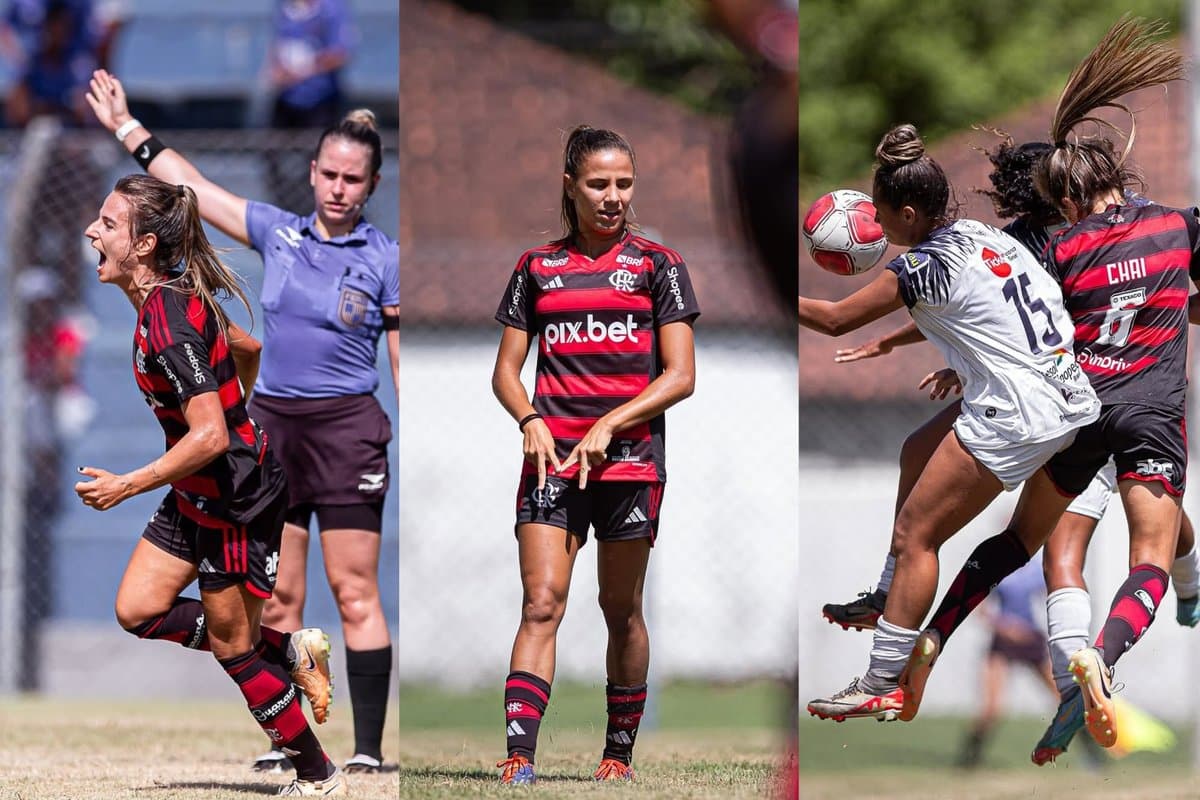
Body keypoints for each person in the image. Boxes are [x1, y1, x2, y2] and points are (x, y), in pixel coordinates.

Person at [819, 133, 1200, 762]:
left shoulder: (1054, 245)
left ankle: (935, 637)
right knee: (1155, 549)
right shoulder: (1169, 226)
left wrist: (930, 352)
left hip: (1078, 410)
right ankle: (1105, 654)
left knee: (1046, 551)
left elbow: (1001, 310)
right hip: (1139, 413)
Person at [85, 68, 399, 774]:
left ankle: (353, 758)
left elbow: (213, 427)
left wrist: (178, 449)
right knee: (179, 610)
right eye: (329, 173)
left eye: (354, 178)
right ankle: (288, 665)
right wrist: (126, 128)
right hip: (257, 441)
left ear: (371, 186)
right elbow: (194, 194)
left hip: (331, 436)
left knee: (343, 593)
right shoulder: (278, 235)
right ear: (312, 172)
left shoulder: (386, 259)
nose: (339, 187)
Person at [801, 122, 1100, 723]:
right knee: (918, 448)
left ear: (908, 213)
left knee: (919, 536)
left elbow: (833, 320)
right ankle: (889, 594)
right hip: (1070, 398)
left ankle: (882, 679)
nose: (877, 229)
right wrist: (939, 355)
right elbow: (993, 310)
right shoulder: (980, 236)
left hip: (1017, 414)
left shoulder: (919, 269)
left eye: (881, 216)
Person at [73, 174, 344, 796]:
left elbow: (212, 436)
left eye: (109, 224)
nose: (94, 231)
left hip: (235, 499)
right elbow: (246, 348)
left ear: (143, 246)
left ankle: (315, 771)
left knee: (233, 650)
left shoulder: (167, 319)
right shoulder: (167, 299)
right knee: (138, 610)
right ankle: (290, 649)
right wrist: (232, 406)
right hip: (200, 489)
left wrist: (129, 484)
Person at [491, 125, 699, 784]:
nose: (613, 197)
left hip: (630, 462)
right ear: (570, 187)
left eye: (624, 184)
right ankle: (519, 758)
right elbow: (505, 369)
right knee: (541, 603)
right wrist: (528, 416)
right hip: (553, 462)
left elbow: (680, 376)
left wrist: (611, 423)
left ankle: (617, 755)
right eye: (599, 184)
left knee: (621, 609)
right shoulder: (536, 267)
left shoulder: (656, 266)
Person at [955, 555, 1059, 768]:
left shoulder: (1037, 569)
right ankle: (968, 762)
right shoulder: (997, 568)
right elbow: (981, 610)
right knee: (992, 708)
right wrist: (1005, 626)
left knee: (1064, 697)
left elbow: (1055, 598)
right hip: (1004, 642)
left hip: (1031, 639)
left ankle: (1094, 757)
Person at [263, 0, 355, 210]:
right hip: (287, 99)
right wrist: (275, 70)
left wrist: (305, 69)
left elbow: (340, 53)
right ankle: (284, 208)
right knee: (271, 153)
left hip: (320, 100)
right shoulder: (285, 7)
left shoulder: (332, 9)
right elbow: (279, 44)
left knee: (318, 157)